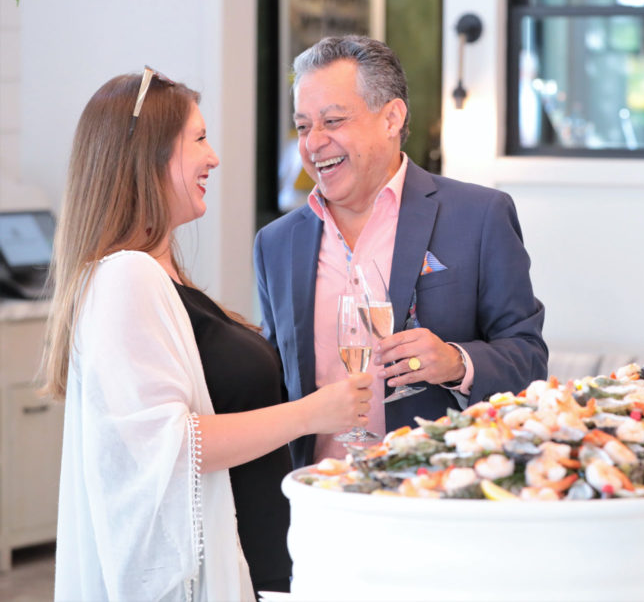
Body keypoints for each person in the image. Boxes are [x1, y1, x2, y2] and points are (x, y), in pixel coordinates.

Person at [41, 68, 373, 600]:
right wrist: (314, 413)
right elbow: (169, 445)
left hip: (261, 555)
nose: (214, 157)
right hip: (224, 568)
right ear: (149, 156)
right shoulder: (126, 277)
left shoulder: (161, 276)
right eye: (198, 139)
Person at [253, 35, 547, 468]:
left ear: (391, 118)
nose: (313, 143)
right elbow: (274, 385)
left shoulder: (479, 216)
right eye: (302, 126)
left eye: (332, 121)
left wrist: (456, 362)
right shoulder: (275, 244)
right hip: (319, 493)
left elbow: (529, 359)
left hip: (433, 489)